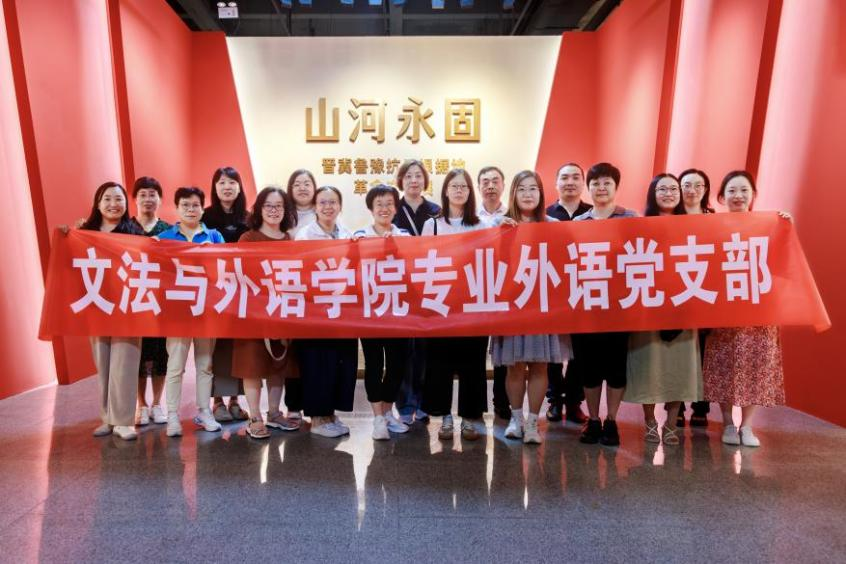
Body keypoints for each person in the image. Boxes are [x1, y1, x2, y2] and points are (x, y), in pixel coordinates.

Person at [703, 170, 789, 447]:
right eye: (732, 191)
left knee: (756, 366)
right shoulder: (712, 226)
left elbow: (783, 259)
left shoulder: (768, 225)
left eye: (744, 190)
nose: (738, 196)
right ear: (721, 197)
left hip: (759, 311)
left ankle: (748, 425)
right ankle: (728, 423)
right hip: (725, 309)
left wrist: (786, 226)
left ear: (753, 195)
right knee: (725, 366)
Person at [491, 171, 570, 445]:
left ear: (541, 193)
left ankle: (534, 422)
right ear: (513, 193)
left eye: (533, 188)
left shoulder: (553, 225)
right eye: (522, 189)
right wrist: (498, 234)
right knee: (514, 368)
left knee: (539, 367)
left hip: (542, 307)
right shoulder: (499, 224)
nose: (527, 194)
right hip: (511, 307)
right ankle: (516, 419)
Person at [624, 173, 703, 445]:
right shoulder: (638, 224)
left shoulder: (695, 225)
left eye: (673, 189)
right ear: (652, 193)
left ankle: (671, 424)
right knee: (649, 367)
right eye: (662, 189)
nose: (669, 193)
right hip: (648, 306)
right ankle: (649, 421)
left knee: (680, 367)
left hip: (684, 304)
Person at [66, 182, 144, 441]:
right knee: (104, 364)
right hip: (98, 306)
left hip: (127, 308)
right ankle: (107, 418)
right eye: (107, 198)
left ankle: (123, 421)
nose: (113, 204)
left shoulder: (134, 231)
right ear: (98, 204)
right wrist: (66, 235)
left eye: (119, 199)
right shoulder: (84, 232)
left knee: (125, 365)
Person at [421, 169, 492, 441]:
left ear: (470, 192)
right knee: (439, 364)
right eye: (454, 186)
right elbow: (423, 262)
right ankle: (445, 417)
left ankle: (470, 418)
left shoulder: (481, 225)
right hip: (440, 305)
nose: (459, 190)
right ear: (446, 191)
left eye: (464, 186)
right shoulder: (432, 225)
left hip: (472, 305)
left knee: (472, 363)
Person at [572, 162, 637, 447]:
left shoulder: (631, 218)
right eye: (595, 183)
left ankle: (611, 419)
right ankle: (594, 419)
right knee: (589, 368)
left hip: (621, 308)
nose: (601, 188)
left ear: (616, 187)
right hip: (586, 308)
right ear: (588, 188)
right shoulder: (578, 223)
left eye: (607, 183)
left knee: (615, 367)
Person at [231, 186, 302, 439]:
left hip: (280, 311)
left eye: (279, 206)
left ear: (286, 210)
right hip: (253, 313)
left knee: (278, 365)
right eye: (268, 206)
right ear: (259, 209)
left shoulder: (289, 240)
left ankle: (274, 413)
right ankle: (254, 416)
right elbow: (241, 275)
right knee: (252, 365)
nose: (274, 211)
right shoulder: (247, 238)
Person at [157, 186, 225, 437]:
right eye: (185, 205)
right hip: (177, 312)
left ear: (202, 208)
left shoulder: (214, 236)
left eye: (195, 205)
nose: (190, 209)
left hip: (206, 310)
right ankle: (173, 415)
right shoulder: (164, 238)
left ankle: (204, 411)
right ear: (177, 208)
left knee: (205, 365)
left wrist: (212, 254)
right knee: (175, 365)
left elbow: (228, 267)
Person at [295, 186, 358, 438]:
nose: (328, 207)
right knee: (316, 362)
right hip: (315, 310)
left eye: (333, 202)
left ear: (340, 205)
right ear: (315, 206)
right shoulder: (305, 235)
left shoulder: (347, 233)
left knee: (338, 362)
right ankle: (317, 418)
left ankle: (330, 413)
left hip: (341, 310)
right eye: (322, 202)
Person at [353, 185, 412, 440]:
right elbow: (354, 270)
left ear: (396, 208)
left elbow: (414, 269)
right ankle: (377, 418)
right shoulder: (360, 236)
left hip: (399, 311)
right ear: (371, 208)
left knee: (398, 365)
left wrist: (396, 246)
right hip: (371, 313)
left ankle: (388, 413)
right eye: (379, 204)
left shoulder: (405, 236)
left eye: (389, 203)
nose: (384, 208)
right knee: (374, 364)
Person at [391, 159, 441, 425]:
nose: (413, 180)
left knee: (427, 349)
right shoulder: (392, 208)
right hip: (400, 285)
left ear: (425, 180)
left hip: (430, 285)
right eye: (408, 176)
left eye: (418, 175)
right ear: (401, 180)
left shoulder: (436, 211)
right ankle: (405, 404)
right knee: (403, 350)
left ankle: (424, 403)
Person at [544, 162, 592, 425]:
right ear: (556, 183)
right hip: (552, 289)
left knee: (580, 350)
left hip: (585, 289)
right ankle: (555, 400)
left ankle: (574, 401)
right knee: (551, 349)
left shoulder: (593, 213)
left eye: (575, 177)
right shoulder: (545, 215)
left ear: (583, 183)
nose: (570, 182)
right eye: (565, 177)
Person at [202, 166, 250, 423]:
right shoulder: (205, 216)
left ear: (240, 187)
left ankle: (235, 400)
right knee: (215, 347)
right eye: (221, 182)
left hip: (242, 291)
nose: (227, 187)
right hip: (214, 291)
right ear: (215, 187)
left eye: (232, 182)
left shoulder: (249, 218)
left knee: (238, 346)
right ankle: (217, 401)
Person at [673, 167, 716, 427]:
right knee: (679, 352)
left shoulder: (714, 219)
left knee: (704, 352)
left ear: (705, 189)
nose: (692, 190)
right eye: (686, 185)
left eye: (698, 185)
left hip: (706, 292)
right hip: (678, 292)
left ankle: (701, 406)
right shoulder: (670, 217)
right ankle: (676, 405)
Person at [130, 176, 170, 426]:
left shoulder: (169, 230)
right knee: (136, 354)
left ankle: (156, 403)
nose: (148, 199)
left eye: (152, 194)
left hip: (161, 302)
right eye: (143, 194)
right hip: (133, 300)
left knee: (160, 355)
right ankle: (141, 405)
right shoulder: (126, 228)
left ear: (160, 199)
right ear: (135, 199)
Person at [476, 166, 512, 421]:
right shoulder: (469, 216)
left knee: (502, 349)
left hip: (505, 287)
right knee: (476, 350)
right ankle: (476, 404)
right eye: (485, 182)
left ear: (503, 185)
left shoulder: (513, 215)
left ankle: (502, 401)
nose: (490, 186)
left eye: (495, 181)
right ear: (478, 187)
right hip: (476, 288)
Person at [288, 168, 318, 237]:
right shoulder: (284, 214)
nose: (302, 188)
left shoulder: (324, 211)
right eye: (297, 185)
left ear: (314, 188)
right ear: (290, 189)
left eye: (307, 184)